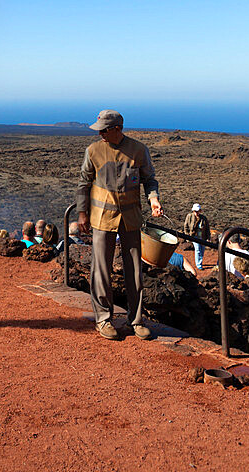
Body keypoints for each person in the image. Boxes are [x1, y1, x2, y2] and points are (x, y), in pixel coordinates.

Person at [77, 109, 163, 341]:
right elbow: (84, 183)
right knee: (101, 270)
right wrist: (82, 212)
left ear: (118, 129)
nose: (101, 134)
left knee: (134, 270)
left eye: (105, 130)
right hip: (102, 218)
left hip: (131, 217)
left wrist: (153, 200)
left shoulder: (138, 150)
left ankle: (135, 320)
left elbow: (149, 179)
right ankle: (103, 319)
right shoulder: (93, 150)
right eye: (100, 130)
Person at [183, 203, 209, 269]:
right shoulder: (189, 216)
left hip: (202, 237)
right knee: (198, 250)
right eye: (195, 211)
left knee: (202, 250)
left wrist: (208, 237)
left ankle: (200, 262)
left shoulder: (203, 218)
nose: (196, 213)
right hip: (194, 236)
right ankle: (199, 265)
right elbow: (186, 226)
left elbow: (207, 228)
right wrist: (187, 235)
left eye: (198, 211)